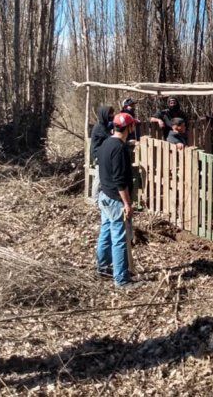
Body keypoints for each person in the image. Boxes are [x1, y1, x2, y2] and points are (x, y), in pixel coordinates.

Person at [96, 112, 140, 289]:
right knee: (120, 238)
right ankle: (121, 279)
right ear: (129, 128)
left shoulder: (107, 143)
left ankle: (103, 268)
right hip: (115, 200)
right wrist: (127, 204)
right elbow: (120, 181)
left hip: (104, 195)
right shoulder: (120, 149)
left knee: (105, 233)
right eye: (133, 125)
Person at [89, 106, 115, 201]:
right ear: (104, 115)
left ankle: (100, 197)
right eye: (110, 114)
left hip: (103, 154)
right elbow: (110, 138)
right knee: (99, 177)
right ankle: (95, 199)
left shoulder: (104, 125)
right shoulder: (100, 127)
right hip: (98, 155)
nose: (112, 115)